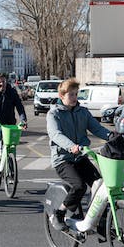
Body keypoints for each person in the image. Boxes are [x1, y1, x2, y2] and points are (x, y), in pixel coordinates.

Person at [46, 77, 111, 230]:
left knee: (99, 184)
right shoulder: (54, 114)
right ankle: (59, 213)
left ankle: (97, 217)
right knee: (79, 186)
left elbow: (97, 128)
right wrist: (71, 146)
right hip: (63, 159)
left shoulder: (83, 112)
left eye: (76, 94)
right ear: (62, 96)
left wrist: (112, 136)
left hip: (80, 157)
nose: (75, 98)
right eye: (71, 95)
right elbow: (55, 134)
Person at [0, 74, 27, 169]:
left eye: (3, 81)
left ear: (6, 82)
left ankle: (11, 172)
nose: (2, 84)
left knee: (11, 146)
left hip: (9, 123)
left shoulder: (12, 93)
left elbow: (20, 107)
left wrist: (23, 120)